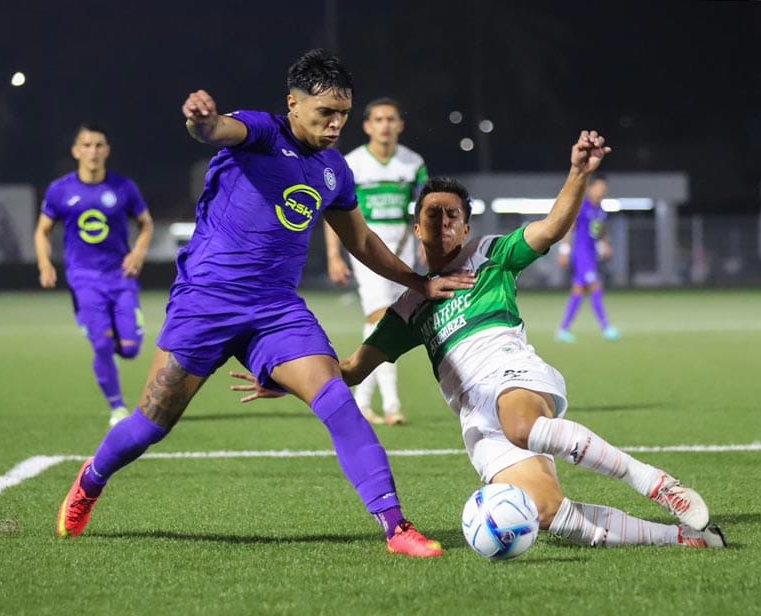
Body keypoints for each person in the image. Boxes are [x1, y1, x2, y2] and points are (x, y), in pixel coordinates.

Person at [55, 49, 476, 558]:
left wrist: (419, 283)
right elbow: (215, 130)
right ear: (293, 105)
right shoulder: (261, 132)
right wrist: (202, 120)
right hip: (206, 302)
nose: (336, 124)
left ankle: (395, 526)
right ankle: (91, 481)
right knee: (150, 423)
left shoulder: (335, 169)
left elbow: (362, 242)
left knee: (338, 401)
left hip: (276, 310)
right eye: (325, 112)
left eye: (343, 114)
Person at [233, 133, 726, 549]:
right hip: (475, 419)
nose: (443, 222)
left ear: (466, 227)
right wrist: (288, 376)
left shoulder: (491, 255)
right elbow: (351, 370)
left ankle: (656, 483)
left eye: (453, 215)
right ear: (416, 227)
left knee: (520, 425)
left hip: (513, 376)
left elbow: (551, 229)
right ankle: (683, 539)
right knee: (548, 512)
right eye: (433, 214)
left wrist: (578, 173)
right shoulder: (409, 307)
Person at [34, 124, 154, 427]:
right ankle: (118, 408)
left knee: (130, 349)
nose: (93, 151)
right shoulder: (60, 190)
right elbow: (42, 231)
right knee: (102, 345)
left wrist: (138, 252)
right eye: (86, 145)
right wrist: (45, 264)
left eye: (99, 145)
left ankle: (111, 344)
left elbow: (146, 223)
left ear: (107, 150)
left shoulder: (123, 187)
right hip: (84, 278)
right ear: (76, 151)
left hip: (121, 277)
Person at [324, 97, 427, 427]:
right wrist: (334, 255)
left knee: (392, 321)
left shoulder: (413, 163)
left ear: (400, 125)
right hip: (366, 247)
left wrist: (426, 243)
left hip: (403, 248)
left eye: (391, 119)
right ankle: (393, 404)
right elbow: (333, 212)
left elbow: (424, 208)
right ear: (368, 126)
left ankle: (362, 402)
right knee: (381, 317)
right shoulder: (353, 163)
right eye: (378, 120)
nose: (385, 125)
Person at [555, 175, 620, 342]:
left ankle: (563, 329)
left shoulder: (601, 211)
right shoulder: (582, 207)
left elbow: (600, 231)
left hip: (591, 255)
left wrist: (605, 244)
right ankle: (606, 327)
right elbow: (569, 228)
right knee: (596, 286)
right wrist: (564, 250)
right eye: (598, 187)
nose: (601, 191)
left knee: (578, 291)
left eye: (604, 188)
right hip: (582, 254)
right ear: (590, 189)